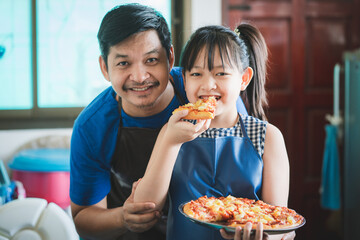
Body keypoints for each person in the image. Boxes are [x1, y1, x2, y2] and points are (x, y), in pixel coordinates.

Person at [69, 3, 248, 240]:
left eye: (151, 60)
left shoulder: (205, 92)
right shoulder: (91, 126)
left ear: (170, 57)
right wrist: (123, 217)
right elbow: (83, 218)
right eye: (123, 63)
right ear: (105, 67)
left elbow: (249, 163)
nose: (140, 77)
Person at [133, 23, 293, 240]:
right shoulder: (172, 131)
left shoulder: (268, 136)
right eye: (196, 73)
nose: (208, 85)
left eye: (221, 73)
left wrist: (265, 237)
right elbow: (145, 206)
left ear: (244, 79)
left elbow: (280, 222)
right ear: (185, 79)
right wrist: (170, 142)